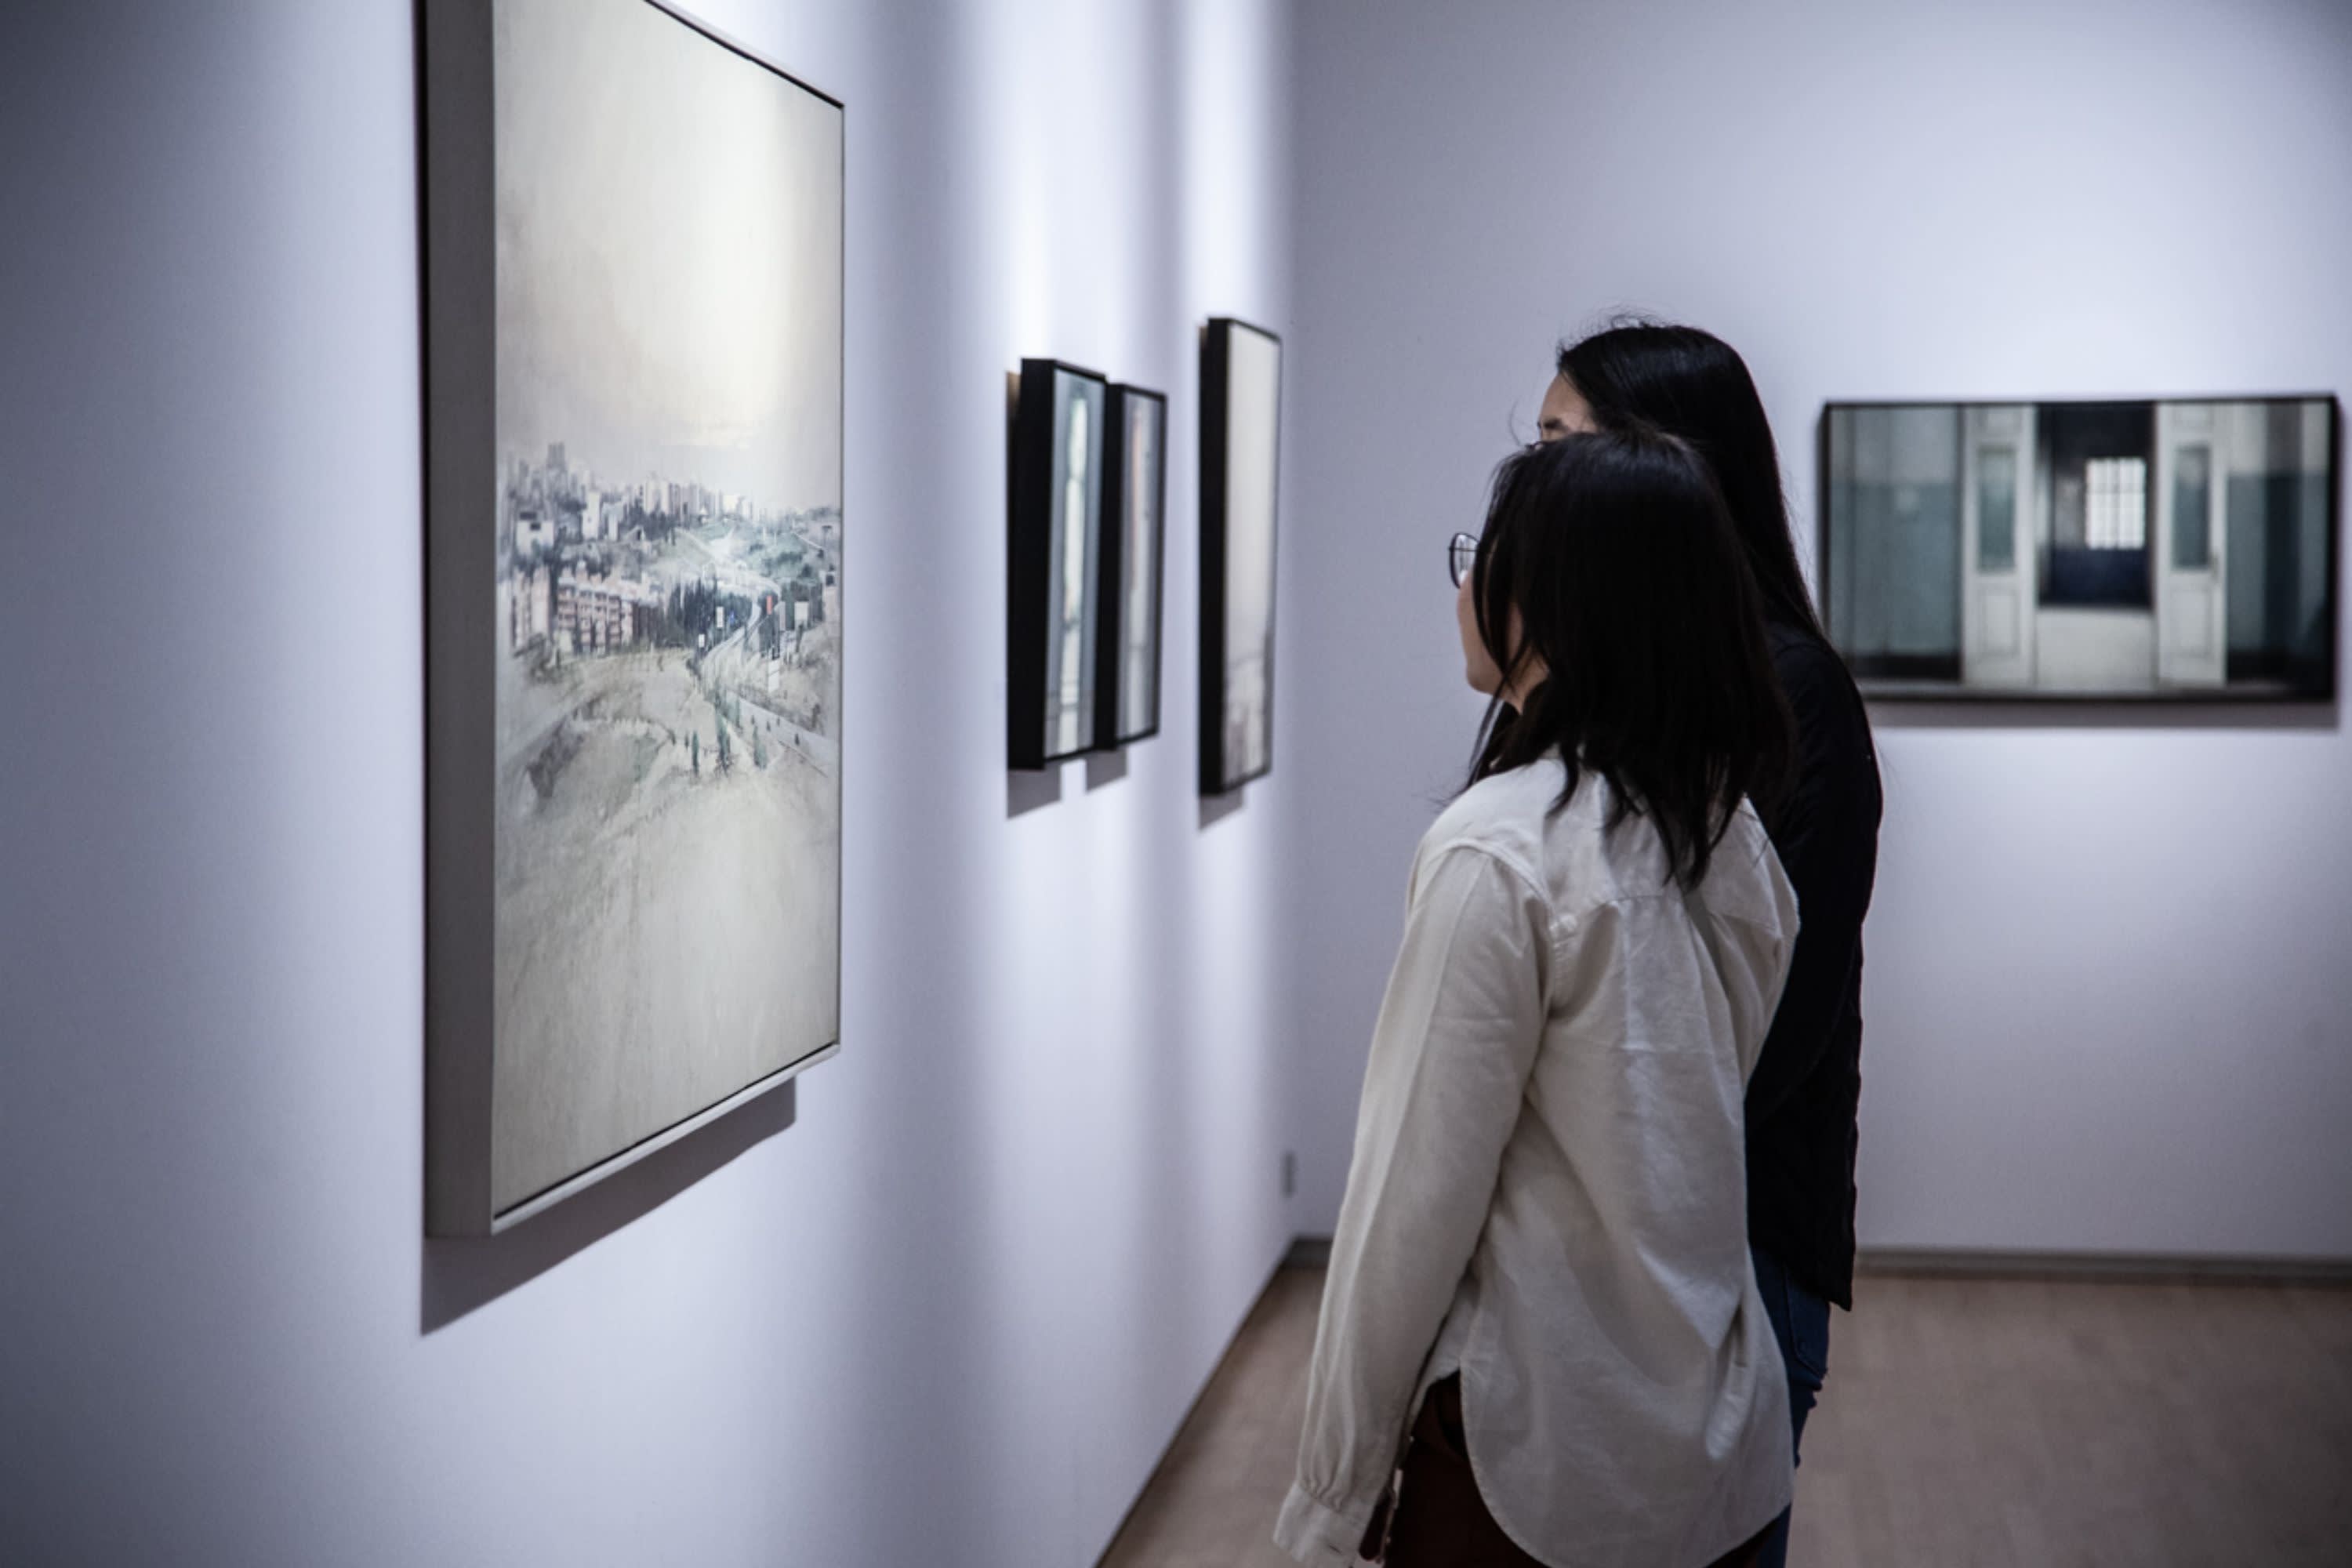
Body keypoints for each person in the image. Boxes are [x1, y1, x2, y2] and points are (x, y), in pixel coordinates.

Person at [1276, 428, 1802, 1568]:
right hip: (1721, 1450)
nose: (1464, 586)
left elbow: (1410, 1205)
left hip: (1537, 1464)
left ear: (1556, 602)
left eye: (1484, 556)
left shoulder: (1501, 853)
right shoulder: (1730, 835)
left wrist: (1331, 1497)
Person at [1541, 322, 1883, 1568]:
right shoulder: (1601, 682)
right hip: (1609, 1240)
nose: (1528, 488)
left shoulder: (1792, 696)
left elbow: (1775, 1022)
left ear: (1661, 469)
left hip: (1731, 1245)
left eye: (1558, 446)